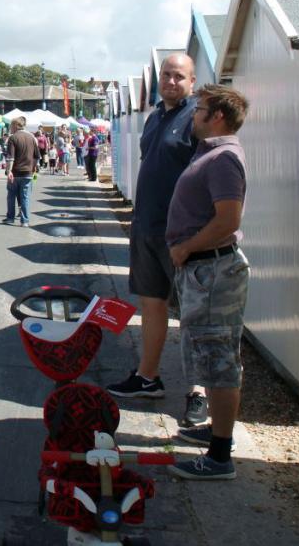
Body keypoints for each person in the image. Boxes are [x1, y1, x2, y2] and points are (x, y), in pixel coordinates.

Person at [106, 54, 208, 429]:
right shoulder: (155, 117)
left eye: (178, 76)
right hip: (146, 227)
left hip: (182, 233)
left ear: (192, 81)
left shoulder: (198, 117)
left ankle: (199, 392)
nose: (170, 81)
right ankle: (147, 378)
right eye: (165, 74)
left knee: (195, 315)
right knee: (151, 305)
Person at [165, 85, 250, 480]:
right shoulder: (211, 153)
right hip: (204, 270)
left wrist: (186, 248)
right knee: (211, 354)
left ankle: (219, 457)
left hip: (213, 271)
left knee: (219, 359)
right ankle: (217, 434)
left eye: (199, 109)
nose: (193, 115)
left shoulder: (223, 159)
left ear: (217, 116)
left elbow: (228, 219)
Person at [2, 116, 40, 227]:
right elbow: (37, 156)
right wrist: (33, 168)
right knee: (25, 197)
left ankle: (10, 218)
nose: (10, 128)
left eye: (11, 125)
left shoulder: (13, 138)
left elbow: (11, 157)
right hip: (28, 173)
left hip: (15, 172)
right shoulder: (32, 137)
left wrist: (9, 171)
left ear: (15, 125)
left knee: (11, 196)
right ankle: (25, 221)